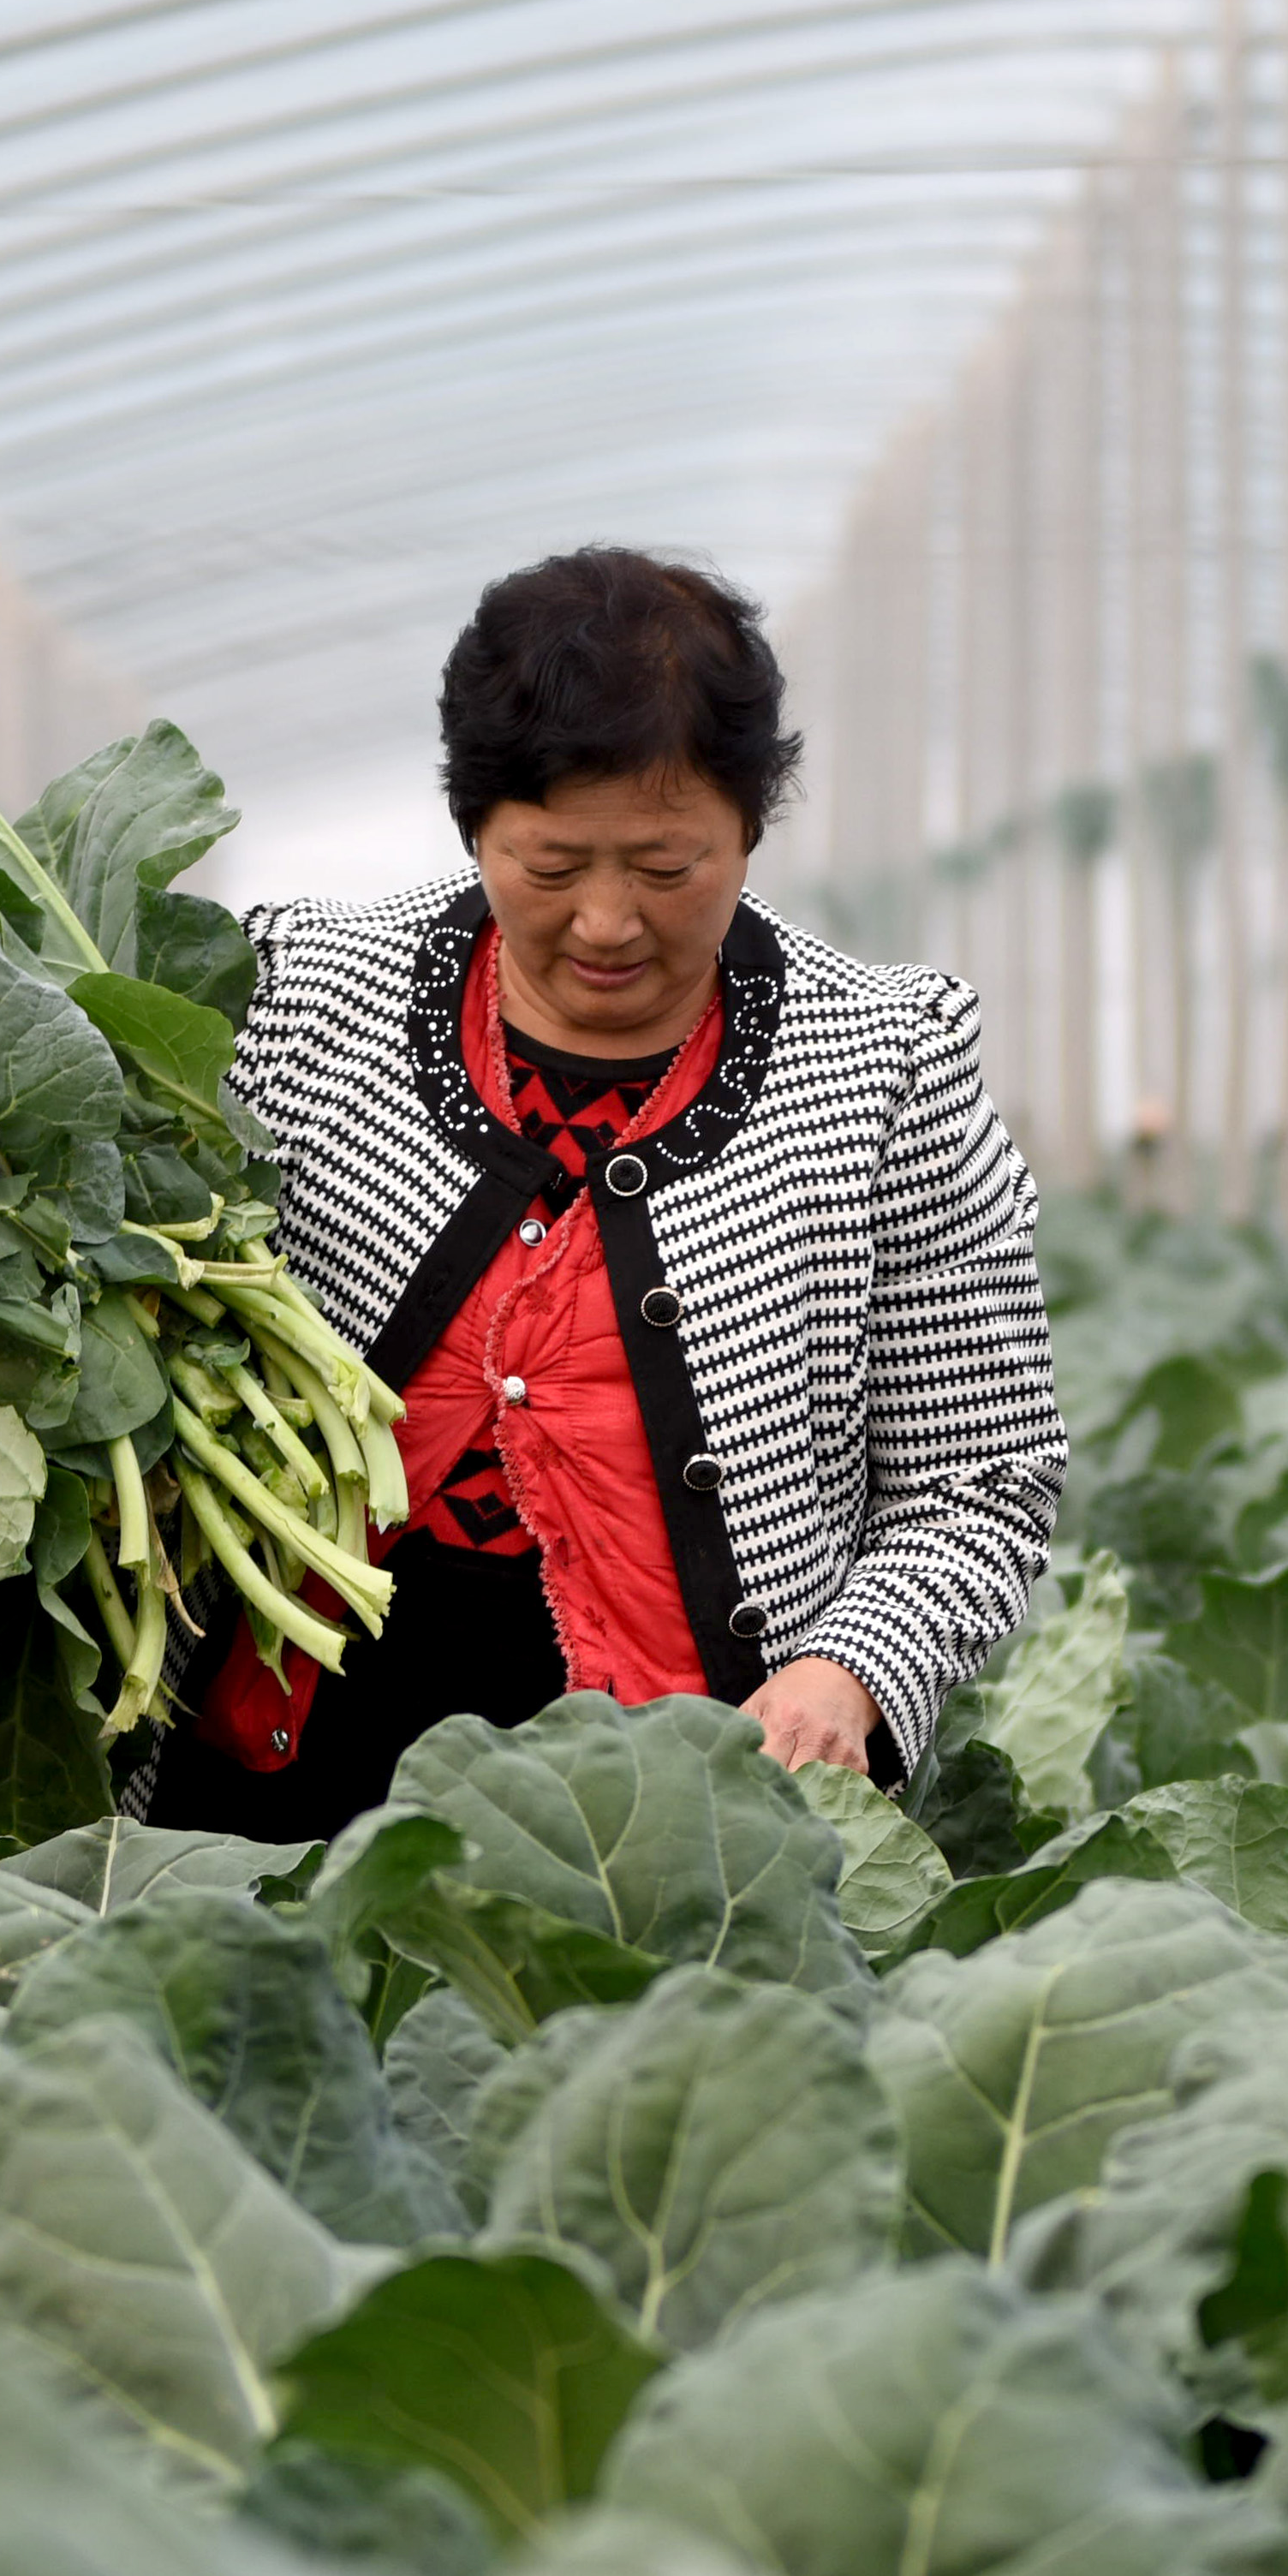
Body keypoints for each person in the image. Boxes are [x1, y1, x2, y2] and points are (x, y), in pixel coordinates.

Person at [163, 546, 1064, 1837]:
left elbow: (981, 1474)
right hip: (271, 1777)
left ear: (750, 825)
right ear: (476, 824)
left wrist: (847, 1670)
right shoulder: (292, 1000)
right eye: (550, 866)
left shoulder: (887, 1062)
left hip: (681, 1810)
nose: (604, 922)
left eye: (662, 867)